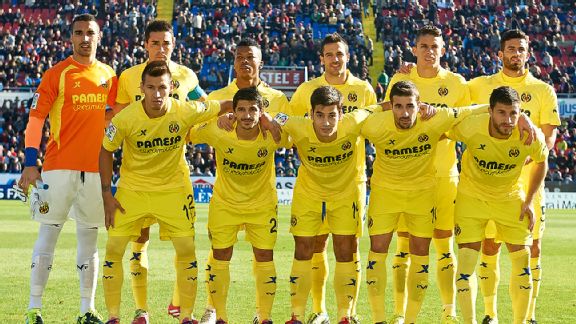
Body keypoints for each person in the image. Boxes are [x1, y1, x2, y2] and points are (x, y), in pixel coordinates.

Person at [360, 81, 533, 324]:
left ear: (419, 105)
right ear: (391, 107)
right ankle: (379, 319)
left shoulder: (435, 118)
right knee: (378, 252)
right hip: (384, 194)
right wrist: (381, 107)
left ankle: (410, 321)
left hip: (422, 196)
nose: (405, 112)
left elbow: (471, 110)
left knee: (420, 254)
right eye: (398, 106)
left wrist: (521, 116)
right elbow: (353, 117)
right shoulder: (376, 123)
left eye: (410, 105)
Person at [99, 60, 231, 324]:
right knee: (114, 249)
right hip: (133, 190)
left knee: (186, 249)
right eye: (151, 88)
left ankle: (186, 316)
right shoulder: (125, 118)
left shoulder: (185, 110)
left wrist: (257, 114)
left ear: (171, 87)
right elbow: (105, 150)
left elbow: (224, 105)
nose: (157, 94)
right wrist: (106, 194)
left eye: (162, 87)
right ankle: (114, 316)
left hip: (173, 190)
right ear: (142, 88)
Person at [18, 13, 117, 324]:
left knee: (89, 240)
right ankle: (34, 309)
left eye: (90, 33)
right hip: (59, 167)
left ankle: (86, 309)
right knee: (48, 234)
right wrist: (30, 162)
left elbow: (115, 122)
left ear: (99, 37)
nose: (85, 38)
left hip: (96, 170)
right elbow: (36, 120)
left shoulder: (110, 76)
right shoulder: (57, 74)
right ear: (71, 37)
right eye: (79, 33)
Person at [111, 19, 207, 321]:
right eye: (155, 43)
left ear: (174, 44)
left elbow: (202, 106)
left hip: (175, 177)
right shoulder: (128, 78)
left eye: (166, 43)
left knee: (185, 246)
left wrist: (195, 129)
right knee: (139, 244)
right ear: (145, 45)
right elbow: (115, 118)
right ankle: (141, 310)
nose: (161, 49)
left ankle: (181, 305)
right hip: (137, 178)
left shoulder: (187, 76)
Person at [468, 29, 560, 324]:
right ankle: (490, 314)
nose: (515, 54)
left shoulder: (544, 90)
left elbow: (550, 134)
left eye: (521, 49)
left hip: (529, 184)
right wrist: (412, 69)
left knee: (533, 247)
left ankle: (529, 316)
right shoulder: (481, 86)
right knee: (490, 245)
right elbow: (448, 94)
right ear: (500, 54)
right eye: (510, 49)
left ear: (528, 53)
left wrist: (536, 152)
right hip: (490, 185)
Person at [197, 37, 289, 324]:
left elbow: (287, 133)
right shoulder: (219, 96)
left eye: (251, 57)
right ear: (234, 62)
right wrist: (217, 118)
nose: (246, 61)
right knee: (219, 252)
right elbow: (196, 129)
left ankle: (263, 316)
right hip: (226, 195)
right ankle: (213, 309)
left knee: (264, 255)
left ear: (261, 62)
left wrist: (271, 119)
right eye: (240, 57)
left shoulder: (277, 97)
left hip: (262, 197)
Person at [289, 33, 377, 324]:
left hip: (351, 180)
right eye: (329, 54)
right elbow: (293, 131)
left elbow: (374, 123)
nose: (335, 59)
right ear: (321, 58)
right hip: (313, 183)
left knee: (348, 246)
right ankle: (318, 310)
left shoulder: (363, 89)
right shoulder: (306, 90)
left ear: (348, 56)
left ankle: (347, 314)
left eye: (340, 54)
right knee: (315, 245)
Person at [385, 25, 471, 323]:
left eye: (435, 46)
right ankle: (399, 312)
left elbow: (463, 128)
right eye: (424, 46)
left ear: (443, 50)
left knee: (445, 246)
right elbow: (390, 119)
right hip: (407, 177)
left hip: (444, 176)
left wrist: (436, 127)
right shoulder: (401, 78)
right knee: (404, 245)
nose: (429, 51)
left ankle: (449, 312)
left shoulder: (458, 83)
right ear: (415, 49)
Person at [451, 86, 548, 324]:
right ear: (490, 112)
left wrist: (528, 200)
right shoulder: (472, 127)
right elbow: (442, 130)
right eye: (502, 113)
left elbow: (541, 161)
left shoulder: (529, 135)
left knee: (522, 263)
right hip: (471, 200)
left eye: (514, 113)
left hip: (509, 199)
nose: (509, 120)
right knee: (466, 263)